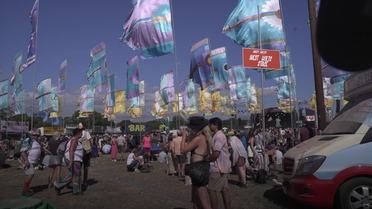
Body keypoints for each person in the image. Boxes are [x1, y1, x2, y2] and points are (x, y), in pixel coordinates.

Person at [181, 116, 212, 209]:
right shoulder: (205, 137)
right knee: (196, 197)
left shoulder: (198, 138)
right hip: (203, 166)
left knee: (203, 200)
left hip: (198, 168)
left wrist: (183, 136)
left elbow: (183, 150)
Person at [208, 117, 232, 209]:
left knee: (211, 190)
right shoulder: (218, 135)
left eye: (211, 124)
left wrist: (208, 159)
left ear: (215, 125)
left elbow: (216, 153)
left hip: (218, 168)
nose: (209, 126)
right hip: (222, 167)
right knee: (224, 190)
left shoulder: (219, 136)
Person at [55, 128, 83, 195]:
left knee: (73, 174)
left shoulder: (73, 139)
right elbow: (71, 150)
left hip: (74, 159)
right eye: (81, 132)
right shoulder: (74, 139)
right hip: (75, 159)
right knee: (75, 175)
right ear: (78, 133)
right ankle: (59, 185)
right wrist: (71, 161)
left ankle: (74, 190)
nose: (82, 134)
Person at [20, 129, 42, 197]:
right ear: (31, 135)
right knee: (31, 174)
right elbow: (23, 152)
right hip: (29, 161)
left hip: (33, 161)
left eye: (37, 135)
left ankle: (26, 189)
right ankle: (25, 191)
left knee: (29, 175)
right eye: (34, 135)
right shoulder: (28, 140)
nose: (36, 136)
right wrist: (26, 161)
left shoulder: (37, 141)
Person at [78, 122, 92, 190]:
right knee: (86, 168)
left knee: (79, 167)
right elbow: (90, 141)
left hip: (79, 152)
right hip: (86, 152)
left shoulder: (77, 133)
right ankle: (85, 182)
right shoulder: (86, 133)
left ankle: (78, 182)